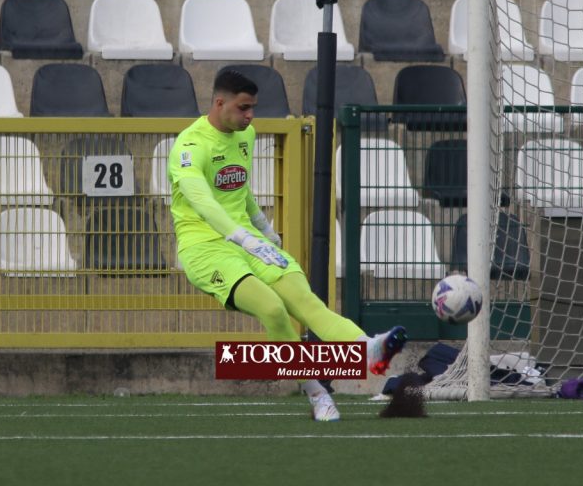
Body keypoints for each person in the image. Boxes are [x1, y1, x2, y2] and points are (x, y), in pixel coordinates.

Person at [167, 69, 407, 422]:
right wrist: (244, 237)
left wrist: (264, 229)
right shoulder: (189, 146)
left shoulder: (245, 135)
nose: (250, 116)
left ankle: (367, 349)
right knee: (273, 309)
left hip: (250, 242)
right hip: (205, 249)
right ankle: (317, 394)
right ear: (219, 103)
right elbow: (202, 200)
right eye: (243, 107)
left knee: (306, 301)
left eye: (253, 108)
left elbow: (240, 190)